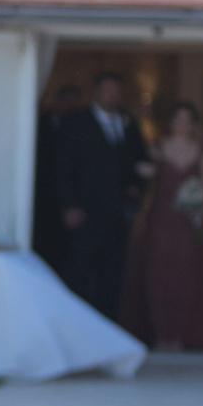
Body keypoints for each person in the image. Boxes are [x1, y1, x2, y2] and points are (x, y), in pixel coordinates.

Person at [119, 103, 203, 351]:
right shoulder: (157, 148)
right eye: (178, 118)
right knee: (157, 274)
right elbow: (140, 175)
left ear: (193, 124)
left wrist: (200, 212)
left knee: (185, 276)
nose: (182, 124)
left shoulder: (202, 153)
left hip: (187, 223)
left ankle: (179, 335)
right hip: (160, 220)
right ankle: (160, 335)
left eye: (187, 119)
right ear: (171, 122)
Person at [57, 70, 148, 320]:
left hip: (117, 216)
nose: (112, 96)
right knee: (79, 274)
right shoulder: (75, 123)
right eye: (107, 90)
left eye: (116, 91)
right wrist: (69, 205)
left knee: (112, 278)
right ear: (96, 92)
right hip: (85, 214)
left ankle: (107, 332)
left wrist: (135, 192)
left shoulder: (129, 124)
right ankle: (74, 327)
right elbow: (62, 167)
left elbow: (141, 163)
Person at [32, 83, 84, 283]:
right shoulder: (40, 125)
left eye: (74, 104)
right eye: (67, 103)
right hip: (42, 199)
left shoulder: (78, 129)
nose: (70, 108)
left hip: (68, 201)